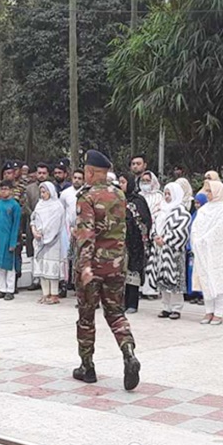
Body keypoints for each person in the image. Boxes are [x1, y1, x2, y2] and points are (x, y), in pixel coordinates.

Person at [72, 150, 141, 390]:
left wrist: (85, 266)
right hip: (116, 265)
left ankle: (87, 367)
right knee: (116, 312)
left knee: (86, 317)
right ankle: (129, 353)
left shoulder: (86, 197)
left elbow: (86, 235)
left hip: (93, 266)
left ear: (90, 172)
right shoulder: (119, 194)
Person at [191, 180, 223, 324]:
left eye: (210, 191)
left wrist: (206, 239)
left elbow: (220, 228)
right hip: (203, 251)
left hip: (219, 251)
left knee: (219, 281)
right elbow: (196, 227)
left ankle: (218, 313)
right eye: (206, 191)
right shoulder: (204, 209)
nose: (207, 194)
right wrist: (197, 240)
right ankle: (208, 312)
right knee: (206, 280)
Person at [151, 182, 191, 319]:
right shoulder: (160, 210)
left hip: (174, 252)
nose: (167, 196)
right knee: (163, 279)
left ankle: (176, 308)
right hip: (160, 249)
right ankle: (166, 307)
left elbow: (182, 232)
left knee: (175, 280)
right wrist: (155, 237)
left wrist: (166, 239)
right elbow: (153, 225)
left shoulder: (182, 212)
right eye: (166, 194)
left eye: (170, 194)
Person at [31, 181, 65, 304]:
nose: (42, 194)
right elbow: (33, 219)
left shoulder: (57, 206)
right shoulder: (39, 204)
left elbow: (55, 223)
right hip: (39, 240)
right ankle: (45, 294)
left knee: (52, 267)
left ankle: (54, 295)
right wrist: (35, 231)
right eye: (41, 192)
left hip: (53, 241)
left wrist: (45, 234)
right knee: (42, 268)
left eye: (44, 192)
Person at [122, 177, 153, 313]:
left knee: (133, 271)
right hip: (120, 242)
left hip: (135, 243)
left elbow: (145, 220)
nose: (120, 185)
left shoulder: (138, 200)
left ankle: (132, 303)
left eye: (123, 182)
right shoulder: (117, 199)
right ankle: (121, 303)